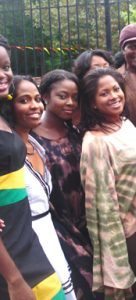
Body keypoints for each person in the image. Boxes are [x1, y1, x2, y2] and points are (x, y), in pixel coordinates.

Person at [79, 68, 136, 299]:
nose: (114, 96)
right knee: (130, 291)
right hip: (123, 230)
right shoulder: (95, 142)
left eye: (116, 89)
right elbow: (102, 202)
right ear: (93, 103)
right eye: (104, 93)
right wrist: (115, 250)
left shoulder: (124, 123)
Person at [0, 34, 65, 300]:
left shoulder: (4, 115)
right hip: (9, 260)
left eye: (5, 66)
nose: (3, 74)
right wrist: (14, 280)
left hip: (25, 241)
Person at [9, 75, 76, 299]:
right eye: (24, 100)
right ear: (9, 106)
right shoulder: (7, 156)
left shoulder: (35, 144)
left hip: (49, 236)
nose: (35, 106)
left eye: (37, 98)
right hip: (24, 244)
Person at [31, 70, 95, 299]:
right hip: (57, 225)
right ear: (45, 96)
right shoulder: (30, 137)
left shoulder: (76, 133)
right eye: (62, 96)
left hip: (86, 222)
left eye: (74, 97)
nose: (70, 102)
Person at [72, 49, 114, 126]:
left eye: (106, 67)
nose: (103, 72)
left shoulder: (116, 95)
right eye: (96, 69)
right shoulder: (76, 101)